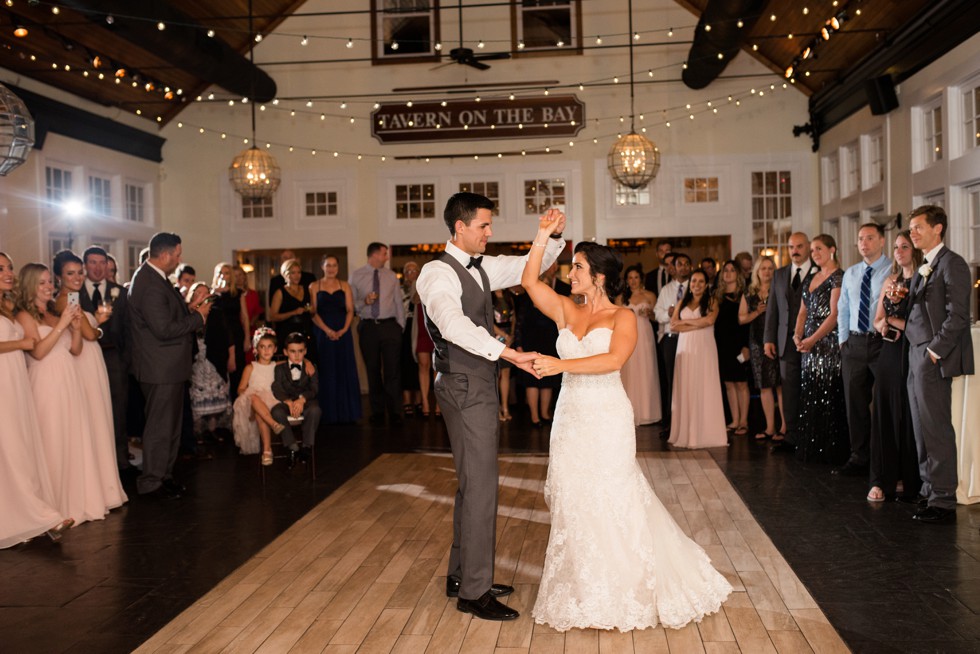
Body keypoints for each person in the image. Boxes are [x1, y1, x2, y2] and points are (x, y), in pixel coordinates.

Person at [522, 226, 732, 631]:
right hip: (569, 419)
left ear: (599, 276)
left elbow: (613, 361)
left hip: (606, 415)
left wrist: (560, 365)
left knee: (613, 496)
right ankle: (584, 586)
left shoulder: (623, 317)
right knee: (573, 497)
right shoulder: (566, 309)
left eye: (577, 266)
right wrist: (544, 235)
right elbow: (530, 281)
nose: (570, 273)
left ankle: (625, 585)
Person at [415, 192, 564, 621]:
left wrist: (550, 236)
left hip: (472, 382)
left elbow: (526, 267)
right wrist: (507, 352)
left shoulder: (480, 268)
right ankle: (473, 592)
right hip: (466, 384)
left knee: (472, 484)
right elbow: (452, 322)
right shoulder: (435, 273)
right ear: (459, 227)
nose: (490, 232)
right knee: (481, 486)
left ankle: (462, 576)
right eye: (484, 225)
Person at [17, 262, 120, 524]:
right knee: (52, 440)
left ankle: (76, 501)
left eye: (48, 281)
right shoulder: (25, 316)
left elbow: (75, 350)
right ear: (29, 286)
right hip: (45, 382)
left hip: (69, 379)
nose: (48, 286)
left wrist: (75, 329)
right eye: (41, 283)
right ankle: (51, 507)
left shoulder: (53, 312)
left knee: (73, 440)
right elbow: (38, 352)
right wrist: (64, 325)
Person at [128, 232, 211, 499]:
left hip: (169, 366)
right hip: (158, 368)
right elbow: (163, 329)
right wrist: (198, 318)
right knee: (159, 428)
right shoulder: (149, 283)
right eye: (177, 254)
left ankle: (164, 476)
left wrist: (189, 309)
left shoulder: (156, 278)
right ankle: (151, 482)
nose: (179, 259)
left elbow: (167, 318)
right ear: (164, 255)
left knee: (171, 427)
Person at [905, 206, 974, 524]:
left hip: (931, 355)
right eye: (911, 228)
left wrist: (933, 353)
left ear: (938, 229)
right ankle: (929, 489)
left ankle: (943, 499)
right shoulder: (926, 265)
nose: (912, 233)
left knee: (936, 428)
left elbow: (959, 315)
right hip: (914, 351)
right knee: (921, 428)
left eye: (918, 227)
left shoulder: (953, 264)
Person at [0, 252, 74, 546]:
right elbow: (28, 344)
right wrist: (22, 343)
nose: (7, 272)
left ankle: (23, 518)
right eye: (0, 268)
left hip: (15, 383)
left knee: (19, 450)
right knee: (13, 451)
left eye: (9, 267)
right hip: (3, 385)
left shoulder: (8, 307)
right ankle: (40, 517)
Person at [52, 250, 128, 510]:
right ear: (59, 276)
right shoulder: (68, 298)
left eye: (78, 272)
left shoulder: (68, 297)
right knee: (95, 419)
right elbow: (89, 334)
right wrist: (99, 323)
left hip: (89, 361)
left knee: (100, 419)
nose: (77, 277)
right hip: (85, 362)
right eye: (70, 273)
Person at [867, 231, 922, 503]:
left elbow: (918, 324)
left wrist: (894, 320)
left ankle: (909, 479)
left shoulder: (922, 280)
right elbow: (877, 320)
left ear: (915, 250)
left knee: (910, 416)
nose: (899, 252)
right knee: (884, 413)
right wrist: (885, 324)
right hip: (890, 352)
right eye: (896, 247)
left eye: (905, 247)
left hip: (913, 353)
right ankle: (881, 479)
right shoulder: (891, 280)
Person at [834, 223, 891, 476]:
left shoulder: (893, 270)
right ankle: (859, 457)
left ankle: (889, 460)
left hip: (883, 343)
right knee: (855, 404)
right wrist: (843, 341)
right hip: (854, 344)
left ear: (881, 241)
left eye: (869, 238)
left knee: (888, 403)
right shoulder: (852, 273)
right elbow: (843, 309)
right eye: (860, 239)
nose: (864, 243)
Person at [793, 234, 848, 465]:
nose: (815, 253)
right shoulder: (811, 277)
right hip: (809, 344)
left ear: (832, 250)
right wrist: (797, 335)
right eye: (812, 250)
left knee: (828, 392)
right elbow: (802, 311)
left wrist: (813, 339)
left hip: (827, 342)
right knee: (811, 392)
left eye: (819, 249)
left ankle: (832, 451)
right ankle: (812, 449)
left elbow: (835, 315)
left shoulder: (838, 277)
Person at [80, 246, 131, 475]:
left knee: (118, 410)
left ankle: (120, 461)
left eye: (102, 262)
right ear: (85, 265)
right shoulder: (75, 292)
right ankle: (91, 463)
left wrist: (126, 359)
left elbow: (129, 328)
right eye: (92, 262)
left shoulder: (119, 292)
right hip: (84, 355)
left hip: (114, 357)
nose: (98, 268)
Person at [669, 270, 729, 448]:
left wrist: (685, 324)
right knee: (687, 386)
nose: (697, 284)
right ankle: (686, 433)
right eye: (694, 281)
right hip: (685, 348)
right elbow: (673, 325)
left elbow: (709, 321)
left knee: (704, 385)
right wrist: (696, 323)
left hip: (704, 348)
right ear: (690, 283)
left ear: (706, 284)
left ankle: (707, 433)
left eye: (701, 282)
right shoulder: (682, 302)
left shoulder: (712, 301)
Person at [763, 232, 811, 453]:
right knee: (789, 390)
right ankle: (791, 436)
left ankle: (812, 435)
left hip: (812, 340)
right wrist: (768, 339)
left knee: (811, 388)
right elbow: (772, 309)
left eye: (800, 246)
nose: (795, 250)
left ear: (808, 247)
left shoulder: (818, 272)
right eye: (791, 246)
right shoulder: (780, 274)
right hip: (784, 342)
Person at [350, 243, 405, 425]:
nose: (387, 257)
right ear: (374, 255)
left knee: (393, 372)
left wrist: (400, 327)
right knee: (372, 371)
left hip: (390, 326)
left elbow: (398, 302)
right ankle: (378, 412)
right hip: (368, 327)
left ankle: (396, 412)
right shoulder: (356, 276)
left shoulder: (391, 277)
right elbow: (351, 305)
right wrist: (364, 302)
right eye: (384, 254)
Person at [514, 261, 569, 427]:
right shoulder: (526, 299)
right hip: (531, 341)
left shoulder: (555, 300)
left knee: (548, 379)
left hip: (550, 341)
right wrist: (519, 345)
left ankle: (545, 414)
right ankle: (534, 416)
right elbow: (519, 323)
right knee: (533, 379)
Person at [310, 254, 361, 424]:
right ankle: (328, 413)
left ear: (338, 268)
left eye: (334, 265)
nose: (331, 268)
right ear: (322, 267)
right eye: (328, 265)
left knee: (344, 369)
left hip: (343, 332)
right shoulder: (314, 286)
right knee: (327, 370)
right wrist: (327, 330)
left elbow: (350, 310)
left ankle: (349, 412)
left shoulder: (344, 285)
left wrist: (344, 330)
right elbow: (313, 313)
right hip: (323, 333)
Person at [739, 256, 784, 441]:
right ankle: (770, 428)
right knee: (764, 386)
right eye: (763, 268)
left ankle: (785, 427)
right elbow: (741, 319)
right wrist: (757, 312)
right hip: (757, 343)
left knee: (780, 386)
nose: (767, 272)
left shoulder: (780, 290)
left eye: (770, 268)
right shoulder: (749, 294)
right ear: (757, 272)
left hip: (778, 341)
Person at [185, 283, 232, 436]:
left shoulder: (217, 313)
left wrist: (231, 357)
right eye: (198, 293)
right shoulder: (187, 314)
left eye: (206, 294)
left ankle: (213, 428)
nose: (203, 297)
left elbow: (227, 336)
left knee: (215, 392)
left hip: (214, 359)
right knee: (198, 395)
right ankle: (198, 430)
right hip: (195, 361)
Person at [653, 253, 692, 436]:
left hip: (690, 338)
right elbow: (657, 314)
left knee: (689, 380)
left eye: (686, 264)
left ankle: (690, 420)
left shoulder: (695, 287)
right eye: (679, 264)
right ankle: (670, 423)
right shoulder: (667, 290)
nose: (683, 267)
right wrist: (668, 314)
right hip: (670, 338)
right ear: (674, 268)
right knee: (671, 382)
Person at [617, 265, 661, 426]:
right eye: (630, 278)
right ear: (626, 280)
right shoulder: (621, 298)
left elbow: (658, 317)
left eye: (636, 277)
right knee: (628, 371)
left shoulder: (650, 295)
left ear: (640, 279)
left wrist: (650, 314)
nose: (633, 281)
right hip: (626, 336)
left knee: (646, 370)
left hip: (645, 335)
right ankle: (629, 411)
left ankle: (648, 412)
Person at [271, 332, 322, 465]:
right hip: (286, 402)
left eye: (300, 351)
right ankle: (292, 446)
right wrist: (288, 402)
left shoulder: (311, 367)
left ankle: (306, 446)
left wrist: (302, 399)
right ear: (286, 352)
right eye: (293, 351)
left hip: (306, 402)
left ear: (305, 351)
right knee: (276, 412)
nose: (297, 355)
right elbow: (277, 387)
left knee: (315, 410)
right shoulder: (279, 368)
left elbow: (314, 389)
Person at [233, 327, 282, 463]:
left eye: (269, 347)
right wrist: (250, 393)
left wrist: (307, 362)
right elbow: (241, 388)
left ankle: (267, 451)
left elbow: (295, 362)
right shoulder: (251, 367)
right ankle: (273, 424)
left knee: (261, 413)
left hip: (271, 402)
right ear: (256, 349)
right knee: (255, 399)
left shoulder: (277, 366)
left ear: (275, 349)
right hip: (251, 404)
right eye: (262, 347)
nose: (266, 350)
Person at [713, 260, 750, 435]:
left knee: (741, 383)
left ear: (738, 274)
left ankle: (744, 421)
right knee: (728, 384)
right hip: (721, 345)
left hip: (739, 344)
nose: (728, 273)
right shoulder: (717, 296)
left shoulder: (744, 294)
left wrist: (746, 346)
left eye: (732, 270)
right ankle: (735, 420)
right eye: (725, 270)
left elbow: (747, 324)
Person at [207, 262, 249, 400]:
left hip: (236, 334)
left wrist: (247, 338)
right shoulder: (212, 294)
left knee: (238, 371)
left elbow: (244, 317)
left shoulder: (238, 293)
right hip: (219, 336)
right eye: (220, 273)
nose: (223, 275)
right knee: (220, 370)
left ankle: (237, 406)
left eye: (226, 273)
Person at [268, 258, 314, 357]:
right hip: (287, 332)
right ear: (285, 274)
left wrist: (310, 309)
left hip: (305, 330)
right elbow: (273, 316)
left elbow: (314, 309)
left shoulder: (308, 289)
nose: (297, 276)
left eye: (299, 272)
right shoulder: (280, 292)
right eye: (293, 273)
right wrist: (293, 312)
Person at [400, 261, 422, 416]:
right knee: (406, 364)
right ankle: (407, 400)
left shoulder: (424, 286)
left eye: (415, 270)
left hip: (421, 327)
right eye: (408, 270)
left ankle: (420, 400)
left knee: (420, 365)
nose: (412, 273)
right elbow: (406, 306)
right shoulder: (399, 289)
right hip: (405, 327)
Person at [493, 288, 517, 421]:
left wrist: (511, 336)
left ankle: (505, 407)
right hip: (494, 337)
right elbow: (488, 321)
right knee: (496, 374)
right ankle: (496, 409)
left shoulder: (509, 297)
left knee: (506, 373)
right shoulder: (489, 297)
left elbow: (514, 318)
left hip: (508, 338)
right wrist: (504, 336)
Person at [234, 265, 262, 361]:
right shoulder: (233, 296)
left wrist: (250, 323)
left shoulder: (253, 294)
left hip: (250, 331)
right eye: (235, 276)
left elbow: (257, 311)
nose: (239, 278)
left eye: (240, 275)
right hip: (236, 331)